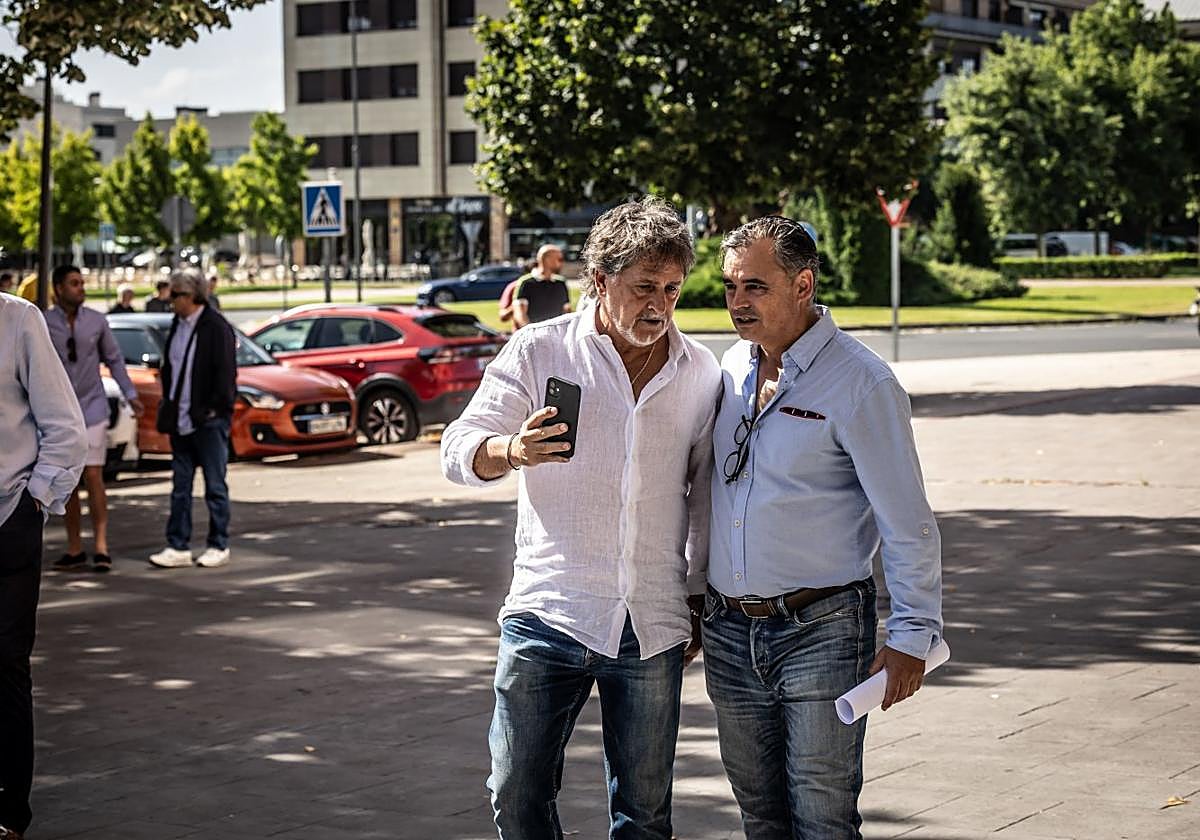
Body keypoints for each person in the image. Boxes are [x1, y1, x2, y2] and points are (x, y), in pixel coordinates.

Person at [440, 197, 720, 839]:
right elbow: (458, 447)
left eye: (672, 290)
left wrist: (699, 595)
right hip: (549, 612)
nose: (659, 306)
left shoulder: (698, 370)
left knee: (645, 815)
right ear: (599, 280)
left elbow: (704, 494)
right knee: (515, 789)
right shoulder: (539, 352)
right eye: (644, 287)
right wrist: (509, 451)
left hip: (650, 623)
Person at [702, 216, 943, 839]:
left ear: (803, 284)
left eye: (755, 287)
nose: (737, 303)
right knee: (759, 814)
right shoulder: (730, 369)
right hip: (729, 632)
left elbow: (907, 520)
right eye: (730, 287)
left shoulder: (862, 382)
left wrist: (913, 634)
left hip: (823, 629)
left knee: (822, 816)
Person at [0, 293, 87, 840]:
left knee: (5, 664)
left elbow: (64, 425)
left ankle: (10, 811)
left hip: (7, 515)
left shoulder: (18, 320)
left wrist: (35, 500)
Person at [44, 265, 144, 573]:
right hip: (60, 414)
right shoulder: (44, 323)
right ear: (58, 288)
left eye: (82, 283)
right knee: (68, 482)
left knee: (94, 474)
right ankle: (75, 548)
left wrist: (130, 394)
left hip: (92, 408)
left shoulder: (96, 321)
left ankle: (101, 546)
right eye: (74, 283)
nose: (81, 288)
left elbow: (114, 359)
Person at [148, 270, 237, 570]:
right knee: (181, 487)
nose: (170, 301)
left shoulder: (215, 327)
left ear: (192, 296)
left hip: (207, 420)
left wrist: (215, 410)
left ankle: (218, 543)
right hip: (181, 418)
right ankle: (178, 544)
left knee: (215, 485)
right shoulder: (178, 325)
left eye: (175, 295)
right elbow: (172, 368)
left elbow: (225, 374)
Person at [511, 244, 571, 328]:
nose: (562, 263)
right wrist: (532, 334)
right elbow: (520, 315)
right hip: (533, 336)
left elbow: (567, 313)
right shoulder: (526, 282)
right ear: (547, 260)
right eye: (559, 259)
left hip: (557, 337)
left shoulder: (561, 283)